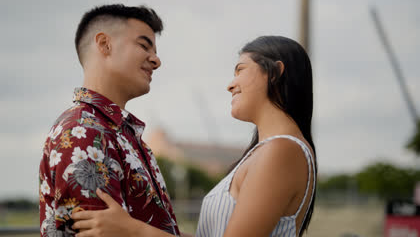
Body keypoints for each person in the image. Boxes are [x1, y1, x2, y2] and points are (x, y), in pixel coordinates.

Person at [71, 35, 317, 237]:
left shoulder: (282, 151)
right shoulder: (268, 151)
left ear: (275, 72)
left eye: (240, 70)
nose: (231, 84)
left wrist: (135, 230)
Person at [38, 4, 181, 236]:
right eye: (144, 45)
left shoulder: (118, 132)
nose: (156, 60)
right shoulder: (82, 131)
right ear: (105, 44)